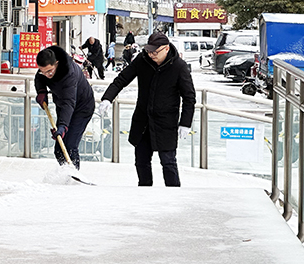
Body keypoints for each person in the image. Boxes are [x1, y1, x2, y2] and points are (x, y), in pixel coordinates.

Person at [98, 32, 195, 187]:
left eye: (155, 52)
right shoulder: (142, 60)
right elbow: (121, 79)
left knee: (168, 162)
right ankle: (144, 191)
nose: (151, 55)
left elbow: (189, 98)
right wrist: (107, 98)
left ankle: (174, 194)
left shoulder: (179, 67)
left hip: (165, 123)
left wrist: (185, 123)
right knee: (141, 161)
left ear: (166, 49)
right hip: (143, 121)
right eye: (149, 51)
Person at [35, 46, 96, 169]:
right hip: (63, 106)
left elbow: (69, 102)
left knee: (70, 146)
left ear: (57, 63)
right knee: (59, 149)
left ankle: (74, 173)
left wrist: (63, 126)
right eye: (43, 72)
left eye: (50, 71)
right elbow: (39, 78)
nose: (47, 75)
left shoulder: (69, 73)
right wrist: (41, 91)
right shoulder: (45, 70)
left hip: (82, 108)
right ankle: (66, 173)